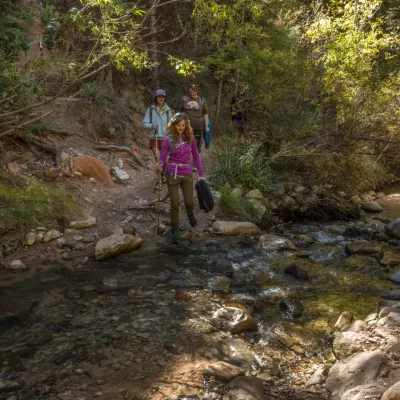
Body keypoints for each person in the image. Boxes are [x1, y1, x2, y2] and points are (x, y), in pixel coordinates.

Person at [156, 113, 205, 244]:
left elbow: (196, 156)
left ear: (186, 125)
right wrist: (160, 164)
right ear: (173, 125)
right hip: (172, 173)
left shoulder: (191, 138)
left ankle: (190, 214)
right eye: (178, 125)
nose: (181, 127)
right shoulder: (168, 140)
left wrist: (201, 174)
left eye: (183, 125)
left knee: (189, 202)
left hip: (187, 173)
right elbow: (162, 156)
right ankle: (174, 231)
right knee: (175, 204)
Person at [179, 84, 210, 154]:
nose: (192, 93)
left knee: (196, 145)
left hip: (198, 127)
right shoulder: (185, 99)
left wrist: (207, 126)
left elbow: (205, 113)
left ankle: (196, 161)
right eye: (190, 92)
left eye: (194, 91)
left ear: (197, 91)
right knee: (185, 143)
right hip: (186, 126)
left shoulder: (202, 100)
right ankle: (186, 160)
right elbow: (180, 111)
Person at [143, 89, 172, 162]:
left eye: (162, 97)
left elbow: (171, 124)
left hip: (164, 137)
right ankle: (159, 171)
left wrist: (170, 130)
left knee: (165, 158)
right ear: (156, 98)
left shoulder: (168, 110)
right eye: (159, 97)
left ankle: (163, 172)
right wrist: (152, 126)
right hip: (154, 137)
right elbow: (145, 123)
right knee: (158, 157)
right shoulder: (150, 110)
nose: (161, 98)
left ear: (165, 98)